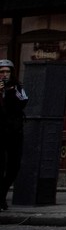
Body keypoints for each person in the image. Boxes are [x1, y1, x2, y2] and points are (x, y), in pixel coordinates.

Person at [0, 59, 27, 211]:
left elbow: (22, 103)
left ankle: (2, 195)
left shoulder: (17, 88)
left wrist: (10, 92)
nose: (4, 75)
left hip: (14, 132)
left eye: (7, 71)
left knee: (14, 166)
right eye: (2, 72)